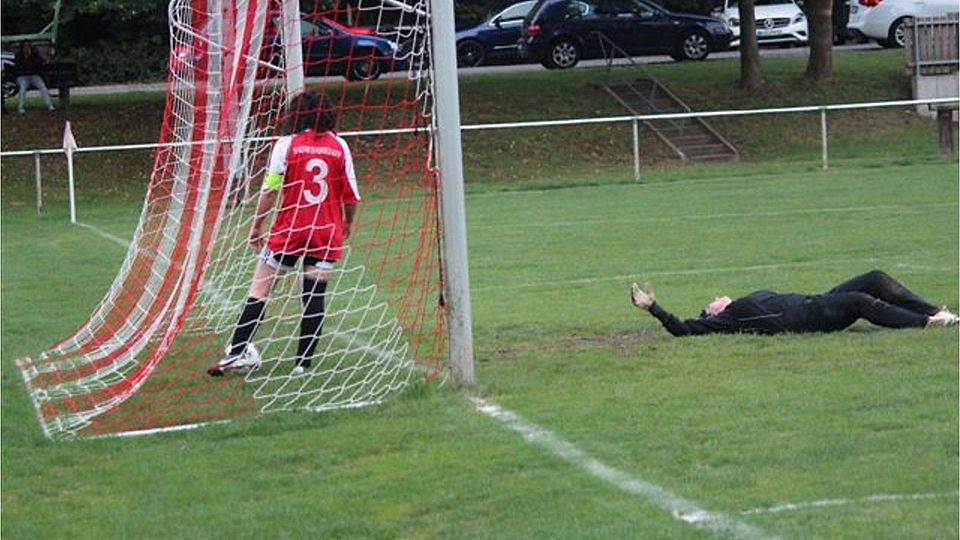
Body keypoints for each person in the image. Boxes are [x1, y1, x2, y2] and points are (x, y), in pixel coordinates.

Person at [208, 90, 359, 376]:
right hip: (325, 231)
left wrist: (256, 227)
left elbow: (270, 189)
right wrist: (347, 224)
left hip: (290, 230)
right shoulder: (340, 146)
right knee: (314, 295)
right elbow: (350, 195)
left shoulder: (286, 145)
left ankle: (238, 352)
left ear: (296, 113)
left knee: (260, 290)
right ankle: (303, 365)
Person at [630, 269, 959, 337]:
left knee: (875, 278)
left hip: (816, 301)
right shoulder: (729, 319)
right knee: (861, 300)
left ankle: (932, 309)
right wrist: (653, 308)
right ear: (714, 313)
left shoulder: (749, 299)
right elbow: (684, 329)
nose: (716, 298)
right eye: (711, 302)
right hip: (810, 317)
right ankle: (926, 323)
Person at [13, 42, 55, 113]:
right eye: (25, 47)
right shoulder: (19, 56)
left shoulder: (34, 55)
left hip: (34, 75)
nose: (26, 49)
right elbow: (18, 67)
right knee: (23, 88)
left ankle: (50, 105)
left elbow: (39, 64)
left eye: (28, 47)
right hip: (22, 76)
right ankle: (20, 107)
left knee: (42, 87)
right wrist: (26, 58)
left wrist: (31, 57)